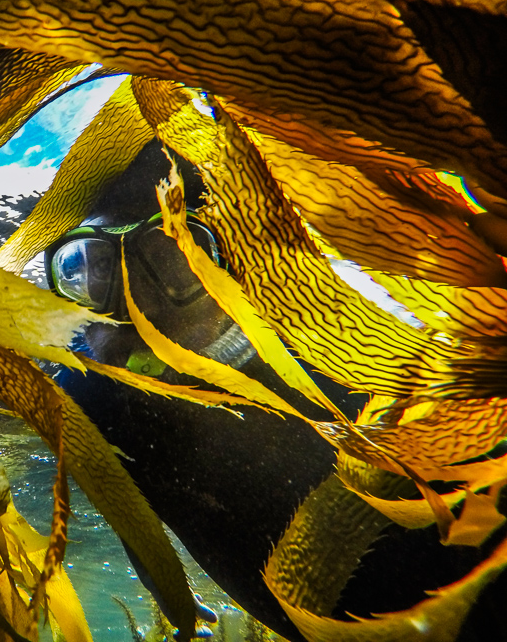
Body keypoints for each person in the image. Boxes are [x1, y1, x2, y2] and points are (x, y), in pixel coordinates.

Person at [44, 141, 506, 641]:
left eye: (173, 263)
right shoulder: (88, 399)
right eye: (89, 271)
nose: (127, 309)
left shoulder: (351, 359)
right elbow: (130, 508)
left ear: (242, 267)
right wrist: (173, 599)